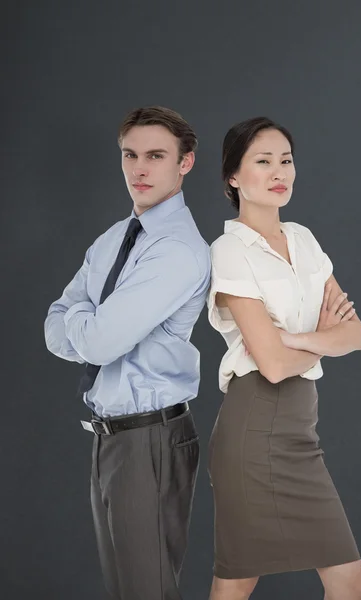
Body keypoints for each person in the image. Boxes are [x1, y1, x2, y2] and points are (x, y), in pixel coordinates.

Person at [44, 106, 211, 600]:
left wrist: (88, 322)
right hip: (110, 437)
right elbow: (53, 324)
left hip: (151, 439)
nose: (139, 168)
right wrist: (90, 323)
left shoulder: (178, 249)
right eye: (130, 155)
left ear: (185, 163)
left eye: (156, 156)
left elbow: (94, 341)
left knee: (147, 591)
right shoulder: (113, 239)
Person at [206, 116, 361, 600]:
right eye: (263, 161)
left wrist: (299, 339)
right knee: (239, 581)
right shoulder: (229, 250)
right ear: (233, 177)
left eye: (286, 160)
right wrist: (320, 337)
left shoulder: (303, 239)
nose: (280, 172)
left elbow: (357, 334)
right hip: (255, 427)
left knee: (347, 580)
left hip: (300, 430)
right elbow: (272, 367)